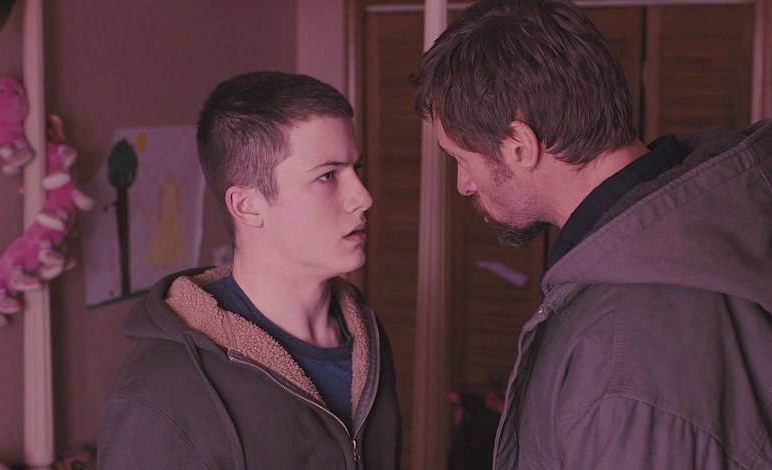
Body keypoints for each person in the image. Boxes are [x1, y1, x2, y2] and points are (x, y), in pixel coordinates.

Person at [411, 0, 772, 468]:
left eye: (462, 159)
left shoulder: (621, 371)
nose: (463, 185)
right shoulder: (696, 222)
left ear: (520, 146)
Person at [97, 71, 402, 469]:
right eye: (328, 176)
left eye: (355, 169)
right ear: (247, 206)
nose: (363, 197)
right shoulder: (160, 397)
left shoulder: (368, 339)